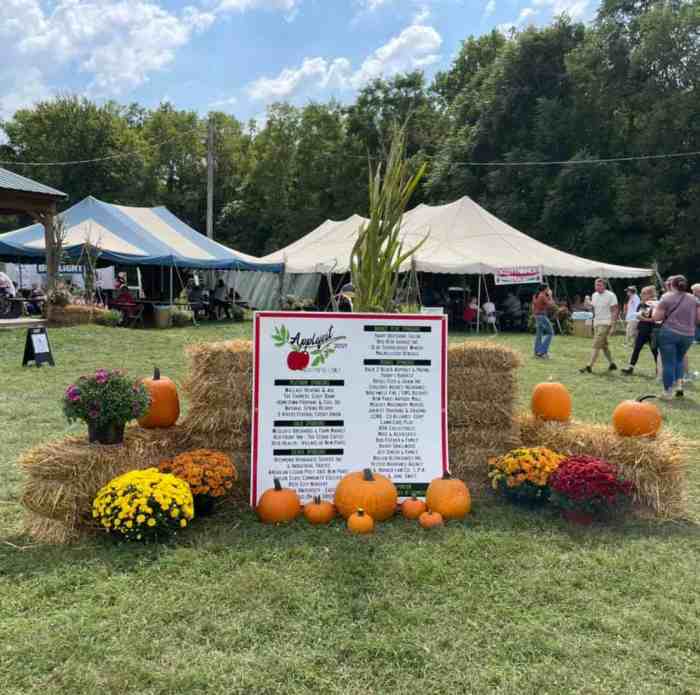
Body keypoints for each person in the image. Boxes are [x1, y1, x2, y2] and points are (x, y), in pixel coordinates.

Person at [652, 275, 700, 398]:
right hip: (688, 335)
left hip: (669, 333)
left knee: (668, 363)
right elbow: (698, 319)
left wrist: (654, 308)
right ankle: (679, 387)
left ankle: (667, 392)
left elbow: (656, 318)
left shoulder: (666, 298)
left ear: (672, 285)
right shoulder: (694, 299)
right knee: (679, 359)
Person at [580, 279, 619, 373]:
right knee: (604, 345)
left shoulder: (611, 295)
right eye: (596, 285)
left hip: (606, 323)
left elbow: (615, 310)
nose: (597, 287)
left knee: (596, 343)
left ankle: (589, 366)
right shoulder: (594, 295)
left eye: (600, 285)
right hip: (596, 323)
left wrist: (613, 325)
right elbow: (591, 307)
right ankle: (612, 364)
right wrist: (587, 302)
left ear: (604, 286)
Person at [621, 286, 659, 375]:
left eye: (644, 293)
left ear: (650, 294)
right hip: (642, 329)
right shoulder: (642, 304)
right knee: (636, 348)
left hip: (652, 330)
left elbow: (646, 316)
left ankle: (659, 369)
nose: (641, 295)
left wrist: (643, 318)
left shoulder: (655, 304)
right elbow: (639, 316)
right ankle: (630, 367)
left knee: (654, 351)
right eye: (641, 293)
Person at [531, 284, 555, 358]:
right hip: (542, 316)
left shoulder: (536, 295)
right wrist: (550, 296)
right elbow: (551, 305)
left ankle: (537, 352)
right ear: (545, 289)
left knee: (539, 334)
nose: (548, 289)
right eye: (548, 288)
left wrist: (534, 314)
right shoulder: (543, 295)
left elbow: (533, 306)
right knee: (550, 333)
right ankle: (542, 352)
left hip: (537, 316)